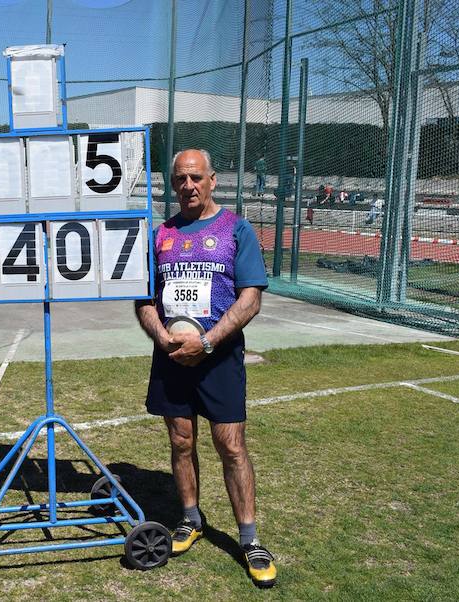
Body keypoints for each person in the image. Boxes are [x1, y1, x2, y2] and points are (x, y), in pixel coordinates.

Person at [135, 149, 276, 588]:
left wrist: (209, 341)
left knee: (230, 444)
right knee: (181, 440)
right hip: (172, 355)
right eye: (180, 179)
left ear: (213, 180)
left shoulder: (237, 229)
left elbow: (250, 298)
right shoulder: (160, 235)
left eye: (196, 177)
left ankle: (249, 539)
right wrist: (161, 336)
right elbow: (143, 299)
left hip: (219, 356)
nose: (188, 186)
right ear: (171, 184)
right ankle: (191, 519)